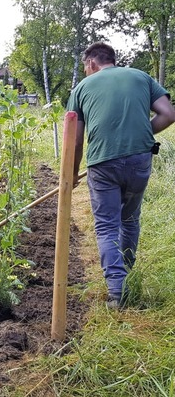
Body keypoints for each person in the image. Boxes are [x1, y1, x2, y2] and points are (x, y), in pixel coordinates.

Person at [67, 41, 175, 309]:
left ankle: (117, 291)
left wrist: (70, 175)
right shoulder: (141, 77)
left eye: (85, 67)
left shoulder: (81, 89)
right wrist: (142, 135)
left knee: (106, 225)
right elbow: (169, 114)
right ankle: (127, 272)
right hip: (140, 159)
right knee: (129, 218)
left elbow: (76, 141)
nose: (86, 72)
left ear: (91, 63)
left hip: (103, 163)